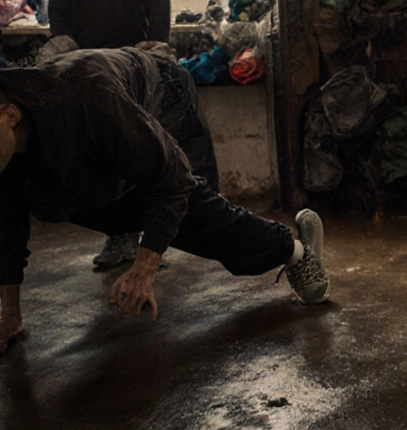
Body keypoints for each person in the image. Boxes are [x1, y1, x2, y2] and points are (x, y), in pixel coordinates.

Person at [0, 47, 329, 356]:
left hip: (164, 91)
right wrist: (10, 314)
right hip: (101, 128)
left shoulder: (90, 100)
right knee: (90, 202)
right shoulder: (16, 139)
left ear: (11, 115)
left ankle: (297, 253)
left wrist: (143, 271)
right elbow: (8, 226)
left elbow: (172, 183)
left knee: (191, 211)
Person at [48, 0, 182, 269]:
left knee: (144, 150)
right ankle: (118, 237)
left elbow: (159, 9)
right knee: (102, 157)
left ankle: (151, 242)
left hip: (136, 70)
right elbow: (60, 18)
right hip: (88, 76)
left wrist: (154, 55)